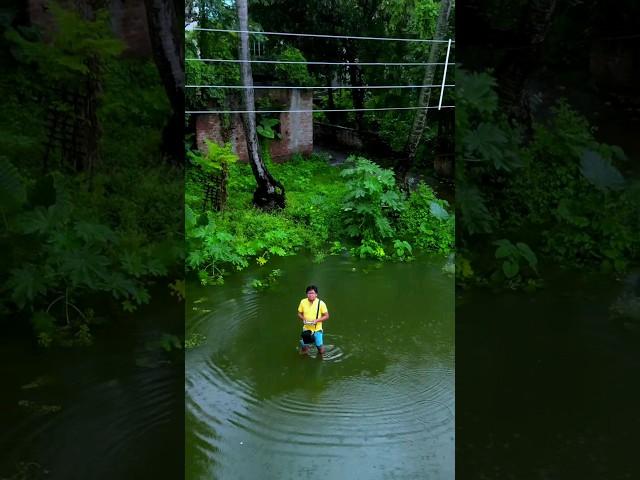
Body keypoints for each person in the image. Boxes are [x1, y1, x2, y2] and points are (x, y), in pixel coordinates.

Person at [297, 285, 329, 355]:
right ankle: (304, 359)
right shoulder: (303, 302)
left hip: (317, 329)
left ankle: (321, 358)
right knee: (304, 347)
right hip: (307, 329)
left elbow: (327, 316)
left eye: (312, 293)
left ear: (316, 294)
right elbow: (299, 313)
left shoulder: (321, 303)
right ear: (306, 294)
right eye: (309, 293)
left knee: (320, 348)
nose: (310, 295)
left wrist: (316, 320)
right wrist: (303, 319)